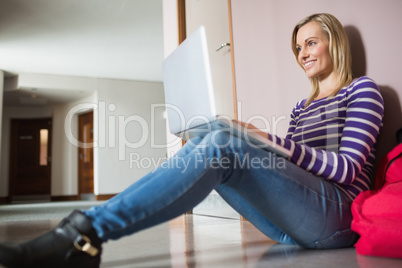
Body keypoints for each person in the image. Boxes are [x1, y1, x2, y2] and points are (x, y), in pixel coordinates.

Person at [0, 13, 384, 268]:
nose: (302, 54)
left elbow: (346, 169)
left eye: (311, 43)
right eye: (298, 47)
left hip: (338, 219)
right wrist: (250, 138)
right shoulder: (304, 105)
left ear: (334, 42)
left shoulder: (363, 91)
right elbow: (296, 164)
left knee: (221, 144)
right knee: (215, 139)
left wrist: (263, 138)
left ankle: (83, 232)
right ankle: (84, 230)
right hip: (294, 224)